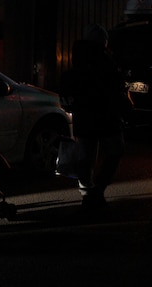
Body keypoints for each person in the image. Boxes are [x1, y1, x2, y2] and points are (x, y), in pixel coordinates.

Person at [60, 24, 130, 210]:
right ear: (103, 42)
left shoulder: (79, 58)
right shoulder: (105, 60)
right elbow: (114, 89)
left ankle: (86, 190)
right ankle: (97, 190)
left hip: (84, 115)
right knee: (115, 150)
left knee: (87, 155)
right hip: (106, 115)